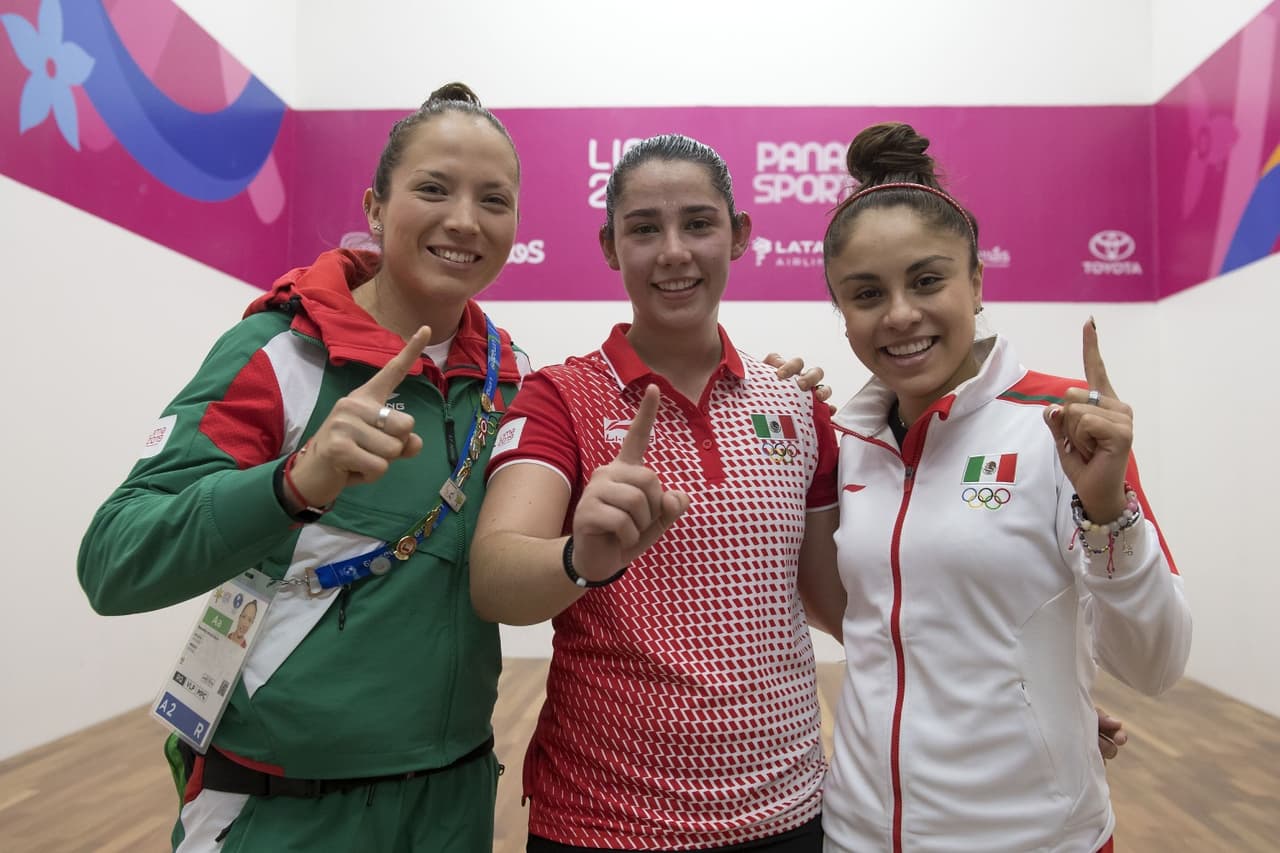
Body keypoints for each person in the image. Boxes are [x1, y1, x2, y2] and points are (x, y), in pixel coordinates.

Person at [78, 83, 529, 852]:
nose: (464, 220)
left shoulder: (508, 377)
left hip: (452, 802)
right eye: (433, 189)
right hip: (283, 808)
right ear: (376, 207)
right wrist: (290, 484)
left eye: (494, 199)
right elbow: (114, 559)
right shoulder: (280, 352)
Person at [812, 122, 1192, 852]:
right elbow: (871, 618)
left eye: (928, 280)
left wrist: (1107, 511)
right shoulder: (846, 442)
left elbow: (1156, 663)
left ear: (977, 282)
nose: (900, 314)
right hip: (857, 832)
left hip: (1033, 837)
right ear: (842, 311)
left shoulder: (1064, 426)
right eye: (866, 293)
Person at [470, 134, 844, 851]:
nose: (674, 252)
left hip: (789, 812)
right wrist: (579, 558)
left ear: (739, 235)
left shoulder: (797, 405)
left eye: (698, 224)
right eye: (645, 229)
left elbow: (837, 604)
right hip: (604, 824)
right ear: (611, 247)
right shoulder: (559, 397)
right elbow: (494, 580)